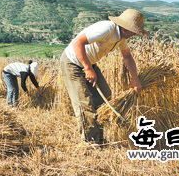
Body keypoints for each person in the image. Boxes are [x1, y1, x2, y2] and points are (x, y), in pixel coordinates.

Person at [61, 9, 146, 145]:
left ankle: (98, 138)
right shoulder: (106, 29)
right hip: (73, 62)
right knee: (84, 102)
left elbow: (127, 56)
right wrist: (87, 68)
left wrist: (135, 79)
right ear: (125, 28)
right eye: (133, 31)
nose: (134, 35)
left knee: (104, 96)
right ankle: (90, 143)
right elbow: (78, 42)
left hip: (90, 63)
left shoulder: (121, 38)